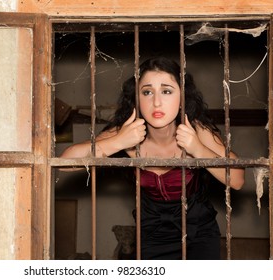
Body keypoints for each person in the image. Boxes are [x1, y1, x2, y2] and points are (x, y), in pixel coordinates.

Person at [60, 57, 245, 260]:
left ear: (182, 96)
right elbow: (65, 163)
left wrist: (198, 149)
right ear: (137, 99)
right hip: (150, 235)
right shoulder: (126, 132)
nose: (156, 102)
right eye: (147, 92)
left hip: (198, 233)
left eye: (167, 91)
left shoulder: (197, 130)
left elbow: (237, 180)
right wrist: (118, 142)